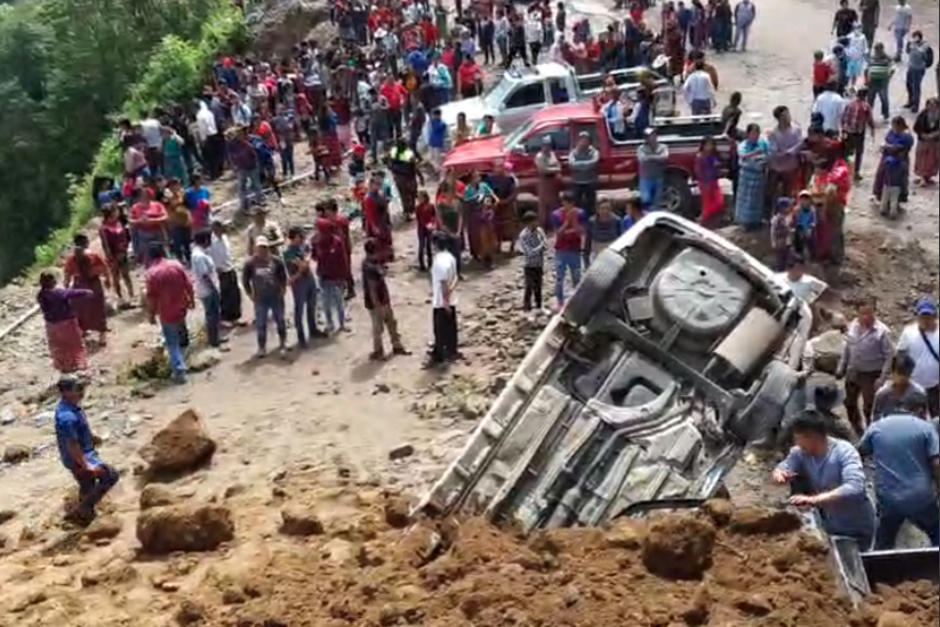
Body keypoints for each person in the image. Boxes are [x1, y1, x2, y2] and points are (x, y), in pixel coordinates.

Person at [772, 410, 876, 550]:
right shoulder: (800, 452)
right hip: (830, 524)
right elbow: (784, 466)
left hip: (856, 526)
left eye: (798, 438)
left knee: (856, 564)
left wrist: (814, 500)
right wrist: (780, 474)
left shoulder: (844, 452)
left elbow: (855, 487)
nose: (796, 442)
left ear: (812, 436)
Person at [858, 410, 940, 549]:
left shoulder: (876, 427)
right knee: (937, 532)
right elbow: (937, 463)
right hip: (920, 496)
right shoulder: (926, 427)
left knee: (884, 541)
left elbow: (859, 452)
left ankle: (880, 567)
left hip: (889, 497)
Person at [54, 376, 119, 525]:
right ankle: (84, 508)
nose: (82, 392)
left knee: (87, 485)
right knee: (110, 475)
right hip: (79, 458)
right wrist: (86, 464)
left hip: (81, 454)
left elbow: (78, 432)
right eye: (77, 389)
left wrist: (91, 438)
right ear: (66, 392)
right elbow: (72, 444)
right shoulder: (67, 417)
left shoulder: (72, 407)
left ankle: (83, 517)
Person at [837, 298, 894, 434]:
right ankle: (857, 429)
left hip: (871, 373)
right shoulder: (852, 326)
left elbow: (890, 356)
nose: (866, 317)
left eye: (869, 313)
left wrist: (882, 378)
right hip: (853, 371)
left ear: (875, 312)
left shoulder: (882, 332)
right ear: (857, 313)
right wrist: (841, 366)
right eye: (863, 313)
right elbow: (848, 347)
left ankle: (872, 432)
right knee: (849, 402)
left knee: (869, 407)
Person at [144, 243, 193, 384]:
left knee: (172, 342)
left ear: (150, 256)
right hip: (181, 306)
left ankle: (180, 371)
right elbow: (188, 283)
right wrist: (191, 299)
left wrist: (151, 315)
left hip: (166, 311)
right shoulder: (176, 265)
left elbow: (151, 297)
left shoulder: (151, 273)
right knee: (182, 333)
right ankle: (187, 357)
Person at [362, 239, 409, 361]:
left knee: (392, 323)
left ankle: (396, 345)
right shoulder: (369, 267)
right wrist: (377, 304)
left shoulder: (374, 262)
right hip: (376, 302)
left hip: (383, 299)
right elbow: (372, 288)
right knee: (378, 328)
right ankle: (378, 351)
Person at [37, 271, 93, 373]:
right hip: (67, 323)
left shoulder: (41, 295)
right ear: (52, 281)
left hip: (51, 326)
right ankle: (80, 366)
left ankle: (65, 368)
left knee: (59, 347)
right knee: (75, 344)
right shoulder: (57, 293)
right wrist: (87, 292)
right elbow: (72, 293)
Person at [242, 236, 288, 357]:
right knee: (261, 323)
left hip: (276, 296)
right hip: (260, 299)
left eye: (264, 247)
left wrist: (283, 290)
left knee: (280, 321)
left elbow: (283, 277)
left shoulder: (277, 261)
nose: (262, 250)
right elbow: (245, 280)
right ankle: (262, 347)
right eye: (260, 248)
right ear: (256, 248)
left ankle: (283, 343)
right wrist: (250, 295)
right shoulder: (250, 263)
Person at [896, 298, 940, 418]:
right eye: (923, 316)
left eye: (929, 316)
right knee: (916, 417)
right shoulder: (909, 332)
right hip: (914, 384)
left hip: (936, 386)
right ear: (917, 317)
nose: (926, 320)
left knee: (936, 417)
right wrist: (900, 378)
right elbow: (901, 355)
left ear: (935, 316)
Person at [63, 234, 109, 347]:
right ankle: (102, 337)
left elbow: (67, 275)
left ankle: (82, 332)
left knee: (80, 311)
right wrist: (108, 280)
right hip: (94, 284)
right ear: (87, 243)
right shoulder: (94, 256)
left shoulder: (71, 259)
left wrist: (66, 287)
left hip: (79, 286)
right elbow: (104, 269)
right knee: (98, 309)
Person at [427, 233, 459, 366]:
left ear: (435, 245)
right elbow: (455, 278)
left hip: (441, 302)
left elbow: (443, 283)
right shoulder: (450, 257)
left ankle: (440, 355)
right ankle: (452, 351)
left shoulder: (438, 262)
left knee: (440, 330)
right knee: (451, 328)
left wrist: (445, 301)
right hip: (451, 300)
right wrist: (451, 294)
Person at [312, 219, 349, 334]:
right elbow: (314, 257)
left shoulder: (336, 242)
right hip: (324, 277)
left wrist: (344, 276)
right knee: (326, 302)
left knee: (339, 301)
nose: (319, 233)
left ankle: (342, 324)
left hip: (336, 277)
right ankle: (330, 323)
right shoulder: (317, 243)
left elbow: (343, 259)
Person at [551, 192, 586, 308]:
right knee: (560, 278)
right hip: (561, 249)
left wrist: (574, 221)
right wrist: (567, 221)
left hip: (575, 249)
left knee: (576, 277)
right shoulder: (556, 214)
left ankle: (577, 302)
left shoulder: (580, 213)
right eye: (565, 204)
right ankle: (560, 302)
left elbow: (581, 231)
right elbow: (558, 234)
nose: (567, 207)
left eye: (569, 204)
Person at [190, 230, 223, 349]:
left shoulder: (201, 253)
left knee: (215, 315)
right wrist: (214, 289)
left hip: (208, 289)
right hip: (208, 291)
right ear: (205, 240)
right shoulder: (199, 256)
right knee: (212, 315)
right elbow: (204, 275)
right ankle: (214, 341)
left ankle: (217, 337)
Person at [871, 352, 928, 421]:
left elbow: (923, 420)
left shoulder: (919, 394)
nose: (902, 378)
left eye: (906, 374)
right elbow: (876, 419)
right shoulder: (882, 394)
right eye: (900, 374)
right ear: (893, 373)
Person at [734, 123, 770, 229]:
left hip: (759, 178)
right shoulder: (743, 145)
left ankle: (756, 221)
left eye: (757, 133)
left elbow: (768, 154)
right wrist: (755, 154)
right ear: (748, 134)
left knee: (757, 201)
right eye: (753, 133)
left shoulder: (763, 143)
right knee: (746, 200)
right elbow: (742, 156)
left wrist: (762, 158)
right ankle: (745, 222)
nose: (755, 136)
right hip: (747, 178)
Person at [98, 205, 134, 304]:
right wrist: (111, 257)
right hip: (113, 256)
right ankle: (120, 297)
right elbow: (105, 245)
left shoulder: (118, 223)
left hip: (123, 253)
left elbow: (125, 237)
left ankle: (132, 295)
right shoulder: (104, 228)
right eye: (116, 211)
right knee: (116, 277)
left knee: (126, 274)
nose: (118, 212)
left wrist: (125, 249)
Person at [209, 220, 242, 326]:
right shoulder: (211, 243)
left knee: (235, 293)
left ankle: (235, 317)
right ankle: (225, 318)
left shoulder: (225, 238)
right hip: (220, 271)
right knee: (224, 295)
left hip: (230, 267)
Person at [841, 88, 875, 181]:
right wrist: (872, 130)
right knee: (859, 153)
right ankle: (856, 172)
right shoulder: (866, 106)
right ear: (865, 96)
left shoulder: (850, 104)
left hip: (848, 131)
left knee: (846, 152)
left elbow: (843, 117)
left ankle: (844, 170)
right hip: (858, 133)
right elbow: (870, 120)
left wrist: (843, 129)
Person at [227, 126, 263, 214]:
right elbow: (230, 156)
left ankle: (259, 202)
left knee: (256, 184)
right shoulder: (232, 144)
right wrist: (233, 166)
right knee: (242, 187)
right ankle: (244, 205)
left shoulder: (250, 141)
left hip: (252, 166)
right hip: (241, 167)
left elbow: (255, 153)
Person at [516, 211, 547, 311]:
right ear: (527, 223)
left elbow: (545, 243)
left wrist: (541, 247)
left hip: (539, 264)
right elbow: (529, 252)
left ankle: (539, 306)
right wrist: (540, 248)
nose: (535, 224)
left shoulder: (540, 231)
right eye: (533, 222)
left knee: (538, 287)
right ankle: (527, 307)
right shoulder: (523, 235)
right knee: (529, 286)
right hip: (529, 265)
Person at [363, 173, 394, 263]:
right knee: (376, 243)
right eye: (376, 184)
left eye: (379, 184)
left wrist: (388, 220)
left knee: (385, 241)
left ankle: (385, 259)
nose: (378, 186)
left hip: (383, 221)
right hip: (375, 222)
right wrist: (374, 227)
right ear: (371, 185)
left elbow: (386, 207)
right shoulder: (368, 198)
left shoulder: (381, 194)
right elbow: (369, 214)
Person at [637, 128, 669, 211]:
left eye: (654, 135)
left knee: (657, 201)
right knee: (646, 199)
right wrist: (657, 158)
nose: (652, 137)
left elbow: (664, 157)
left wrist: (650, 157)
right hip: (646, 179)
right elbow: (642, 159)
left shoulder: (662, 147)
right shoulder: (641, 148)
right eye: (650, 136)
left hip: (658, 178)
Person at [568, 131, 600, 216]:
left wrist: (579, 165)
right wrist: (586, 165)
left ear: (589, 141)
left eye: (585, 139)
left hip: (590, 181)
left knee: (591, 204)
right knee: (576, 204)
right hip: (577, 182)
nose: (583, 141)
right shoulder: (574, 152)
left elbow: (594, 162)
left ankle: (591, 221)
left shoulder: (594, 152)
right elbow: (571, 164)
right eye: (581, 139)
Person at [535, 136, 561, 229]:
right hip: (544, 181)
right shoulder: (539, 156)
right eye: (545, 145)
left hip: (553, 182)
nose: (547, 147)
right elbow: (543, 170)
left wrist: (556, 169)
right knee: (543, 205)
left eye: (548, 145)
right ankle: (542, 226)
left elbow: (558, 164)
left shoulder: (552, 154)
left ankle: (553, 224)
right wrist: (555, 169)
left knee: (554, 203)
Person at [585, 200, 623, 264]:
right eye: (602, 208)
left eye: (607, 208)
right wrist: (586, 257)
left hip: (612, 253)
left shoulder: (617, 220)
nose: (605, 211)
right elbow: (588, 239)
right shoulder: (592, 221)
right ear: (597, 209)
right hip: (596, 253)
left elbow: (621, 238)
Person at [913, 98, 940, 186]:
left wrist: (934, 135)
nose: (931, 107)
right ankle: (922, 177)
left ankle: (928, 177)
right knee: (922, 159)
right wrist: (922, 134)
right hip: (923, 141)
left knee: (932, 160)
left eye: (933, 105)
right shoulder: (923, 115)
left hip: (935, 142)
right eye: (929, 105)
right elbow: (916, 127)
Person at [865, 42, 894, 121]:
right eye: (876, 49)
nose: (877, 51)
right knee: (870, 99)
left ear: (882, 49)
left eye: (878, 49)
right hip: (872, 82)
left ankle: (885, 115)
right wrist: (866, 79)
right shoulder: (872, 58)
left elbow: (893, 69)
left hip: (882, 83)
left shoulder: (887, 59)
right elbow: (867, 69)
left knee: (884, 99)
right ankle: (868, 115)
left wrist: (888, 76)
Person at [905, 31, 931, 113]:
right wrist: (908, 45)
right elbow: (907, 51)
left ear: (919, 37)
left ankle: (915, 106)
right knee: (908, 84)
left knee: (916, 87)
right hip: (911, 67)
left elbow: (922, 53)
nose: (914, 39)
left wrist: (914, 46)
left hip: (918, 69)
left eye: (915, 37)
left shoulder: (925, 45)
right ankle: (910, 101)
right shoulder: (912, 44)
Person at [769, 200, 793, 271]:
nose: (789, 209)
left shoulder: (786, 217)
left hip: (785, 243)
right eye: (788, 207)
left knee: (785, 261)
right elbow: (775, 232)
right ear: (782, 208)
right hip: (780, 244)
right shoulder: (778, 219)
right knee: (781, 262)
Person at [791, 191, 816, 258]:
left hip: (808, 228)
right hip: (799, 228)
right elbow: (794, 220)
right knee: (798, 235)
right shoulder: (797, 209)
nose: (804, 201)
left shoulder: (812, 210)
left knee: (810, 237)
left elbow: (813, 220)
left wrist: (810, 227)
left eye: (806, 199)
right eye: (802, 199)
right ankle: (798, 252)